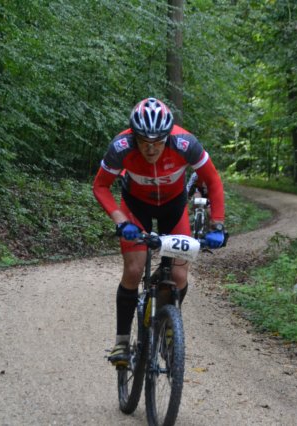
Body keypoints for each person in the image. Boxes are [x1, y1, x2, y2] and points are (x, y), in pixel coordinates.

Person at [92, 97, 226, 366]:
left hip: (173, 208)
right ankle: (121, 343)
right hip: (135, 207)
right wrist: (121, 222)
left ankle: (166, 325)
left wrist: (218, 225)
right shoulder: (121, 146)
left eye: (158, 142)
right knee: (134, 269)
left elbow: (212, 180)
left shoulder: (185, 143)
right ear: (134, 136)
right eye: (144, 141)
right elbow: (100, 186)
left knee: (178, 275)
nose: (151, 148)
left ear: (168, 136)